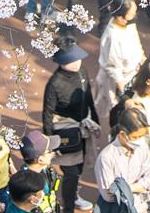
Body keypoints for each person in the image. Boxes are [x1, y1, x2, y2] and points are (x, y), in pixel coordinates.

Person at [42, 40, 100, 213]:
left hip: (83, 126)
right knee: (71, 172)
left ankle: (73, 195)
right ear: (61, 62)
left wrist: (95, 120)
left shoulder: (82, 71)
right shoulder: (54, 83)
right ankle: (68, 207)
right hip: (66, 129)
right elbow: (47, 112)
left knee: (80, 166)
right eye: (72, 60)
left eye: (78, 58)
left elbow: (88, 97)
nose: (78, 63)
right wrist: (50, 142)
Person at [95, 107, 150, 213]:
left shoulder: (142, 148)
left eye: (142, 136)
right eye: (136, 137)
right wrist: (140, 185)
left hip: (141, 208)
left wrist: (125, 188)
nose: (140, 140)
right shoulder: (106, 157)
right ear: (122, 134)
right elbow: (108, 195)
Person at [95, 0, 144, 130]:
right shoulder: (113, 35)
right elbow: (113, 65)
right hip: (118, 81)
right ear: (120, 15)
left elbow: (137, 44)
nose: (135, 14)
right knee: (118, 110)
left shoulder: (130, 24)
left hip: (133, 74)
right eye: (132, 12)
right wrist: (121, 90)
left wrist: (142, 59)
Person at [19, 131, 63, 213]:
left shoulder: (45, 169)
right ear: (40, 160)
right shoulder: (28, 186)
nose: (53, 153)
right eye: (49, 151)